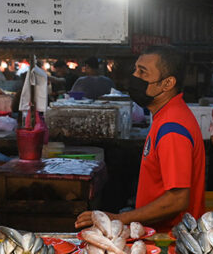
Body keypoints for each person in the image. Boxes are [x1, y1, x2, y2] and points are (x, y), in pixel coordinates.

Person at [74, 45, 206, 231]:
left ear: (167, 84)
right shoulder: (166, 115)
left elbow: (177, 199)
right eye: (136, 69)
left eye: (143, 72)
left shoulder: (172, 129)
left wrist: (119, 218)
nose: (134, 77)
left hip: (171, 240)